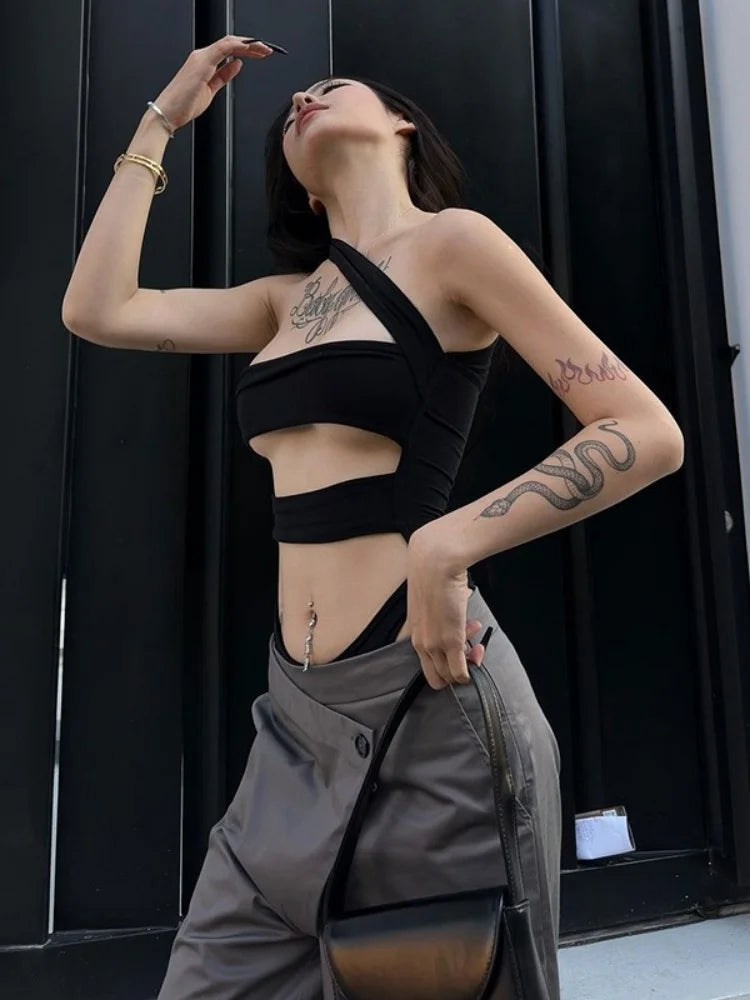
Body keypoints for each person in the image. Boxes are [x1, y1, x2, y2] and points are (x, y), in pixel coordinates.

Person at [61, 34, 685, 1000]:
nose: (302, 98)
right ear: (303, 194)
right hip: (297, 718)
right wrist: (161, 122)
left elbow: (644, 430)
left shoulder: (455, 243)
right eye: (290, 106)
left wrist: (449, 543)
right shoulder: (284, 302)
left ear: (400, 125)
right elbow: (98, 309)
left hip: (429, 698)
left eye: (330, 86)